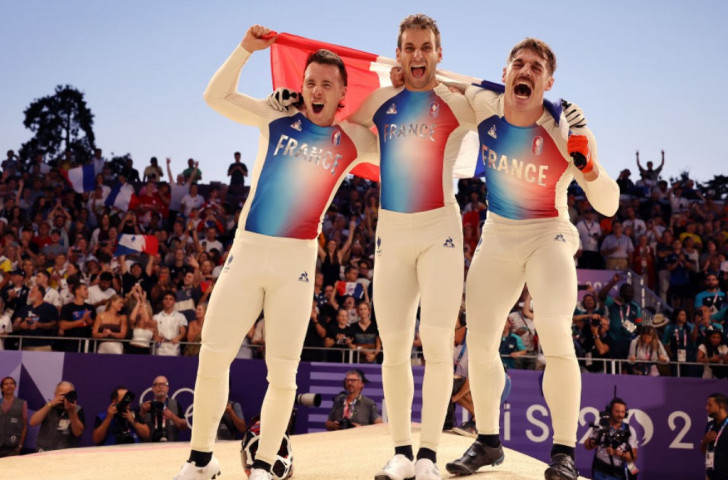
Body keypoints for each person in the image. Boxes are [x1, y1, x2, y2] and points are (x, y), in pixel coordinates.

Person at [173, 24, 377, 480]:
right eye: (310, 82)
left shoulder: (356, 140)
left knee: (282, 374)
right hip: (247, 254)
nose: (316, 90)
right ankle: (200, 459)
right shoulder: (275, 117)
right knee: (213, 355)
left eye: (327, 83)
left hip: (296, 264)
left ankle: (265, 465)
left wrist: (405, 84)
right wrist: (245, 49)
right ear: (299, 86)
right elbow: (216, 97)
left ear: (344, 91)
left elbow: (408, 143)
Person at [444, 36, 619, 480]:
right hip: (498, 234)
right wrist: (405, 78)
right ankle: (487, 443)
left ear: (548, 81)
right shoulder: (484, 104)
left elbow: (610, 205)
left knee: (556, 332)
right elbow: (437, 87)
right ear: (505, 73)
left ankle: (563, 454)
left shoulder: (566, 128)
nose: (525, 71)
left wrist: (589, 165)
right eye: (518, 64)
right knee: (480, 342)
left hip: (549, 233)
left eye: (535, 67)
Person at [346, 14, 476, 480]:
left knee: (438, 346)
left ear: (439, 53)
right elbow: (341, 126)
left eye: (426, 47)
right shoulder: (382, 102)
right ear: (398, 54)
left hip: (439, 229)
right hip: (392, 234)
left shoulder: (458, 104)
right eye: (409, 48)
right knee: (395, 349)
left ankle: (429, 456)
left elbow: (509, 113)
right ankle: (401, 452)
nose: (417, 55)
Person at [584, 398, 638, 480]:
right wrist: (592, 443)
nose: (620, 415)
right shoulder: (601, 426)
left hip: (618, 473)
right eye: (617, 411)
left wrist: (618, 453)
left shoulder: (629, 431)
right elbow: (587, 446)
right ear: (610, 411)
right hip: (600, 471)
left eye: (622, 412)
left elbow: (633, 457)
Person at [29, 380, 84, 452]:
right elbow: (32, 422)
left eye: (68, 395)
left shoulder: (77, 410)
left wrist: (71, 411)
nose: (65, 398)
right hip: (44, 452)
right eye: (62, 395)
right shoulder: (47, 406)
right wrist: (50, 405)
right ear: (55, 394)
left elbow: (78, 433)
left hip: (66, 454)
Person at [140, 376, 188, 442]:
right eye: (157, 384)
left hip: (171, 447)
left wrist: (172, 416)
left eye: (163, 384)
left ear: (167, 388)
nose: (161, 387)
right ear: (153, 388)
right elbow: (137, 428)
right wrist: (142, 413)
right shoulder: (145, 406)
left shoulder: (175, 404)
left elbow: (184, 427)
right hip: (149, 447)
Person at [11, 284, 59, 351]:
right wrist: (20, 326)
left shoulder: (50, 308)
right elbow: (15, 325)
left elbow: (54, 324)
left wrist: (39, 325)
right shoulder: (24, 309)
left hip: (43, 346)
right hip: (25, 346)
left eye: (32, 292)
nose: (30, 294)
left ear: (40, 294)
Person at [58, 282, 95, 353]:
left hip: (87, 343)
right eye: (85, 289)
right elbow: (63, 325)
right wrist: (81, 320)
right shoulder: (67, 307)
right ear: (77, 291)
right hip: (71, 343)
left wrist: (88, 319)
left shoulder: (91, 307)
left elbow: (94, 324)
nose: (87, 292)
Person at [701, 393, 728, 480]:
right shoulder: (710, 425)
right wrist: (704, 442)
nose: (706, 408)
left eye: (710, 405)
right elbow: (704, 452)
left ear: (720, 406)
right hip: (710, 475)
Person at [153, 291, 188, 356]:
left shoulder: (180, 316)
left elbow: (183, 332)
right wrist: (156, 336)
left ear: (174, 302)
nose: (168, 301)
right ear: (162, 301)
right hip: (160, 351)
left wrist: (178, 338)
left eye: (170, 299)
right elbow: (154, 331)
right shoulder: (156, 317)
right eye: (166, 299)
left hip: (174, 351)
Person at [0, 376, 27, 457]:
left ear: (15, 387)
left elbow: (24, 426)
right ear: (2, 388)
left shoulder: (22, 403)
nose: (9, 386)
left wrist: (20, 446)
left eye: (11, 384)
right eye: (6, 384)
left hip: (13, 447)